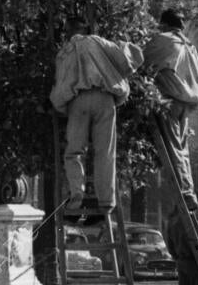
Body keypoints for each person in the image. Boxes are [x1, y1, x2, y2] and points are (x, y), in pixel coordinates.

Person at [50, 17, 143, 212]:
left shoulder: (64, 52)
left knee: (74, 151)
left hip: (78, 101)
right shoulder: (101, 42)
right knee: (105, 152)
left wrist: (59, 105)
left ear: (69, 32)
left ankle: (76, 195)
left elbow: (60, 85)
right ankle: (106, 201)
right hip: (105, 100)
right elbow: (128, 60)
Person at [143, 9, 198, 212]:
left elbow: (140, 60)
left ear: (163, 25)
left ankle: (187, 194)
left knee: (174, 151)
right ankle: (189, 192)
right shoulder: (189, 46)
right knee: (182, 151)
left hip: (168, 102)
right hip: (185, 105)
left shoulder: (163, 40)